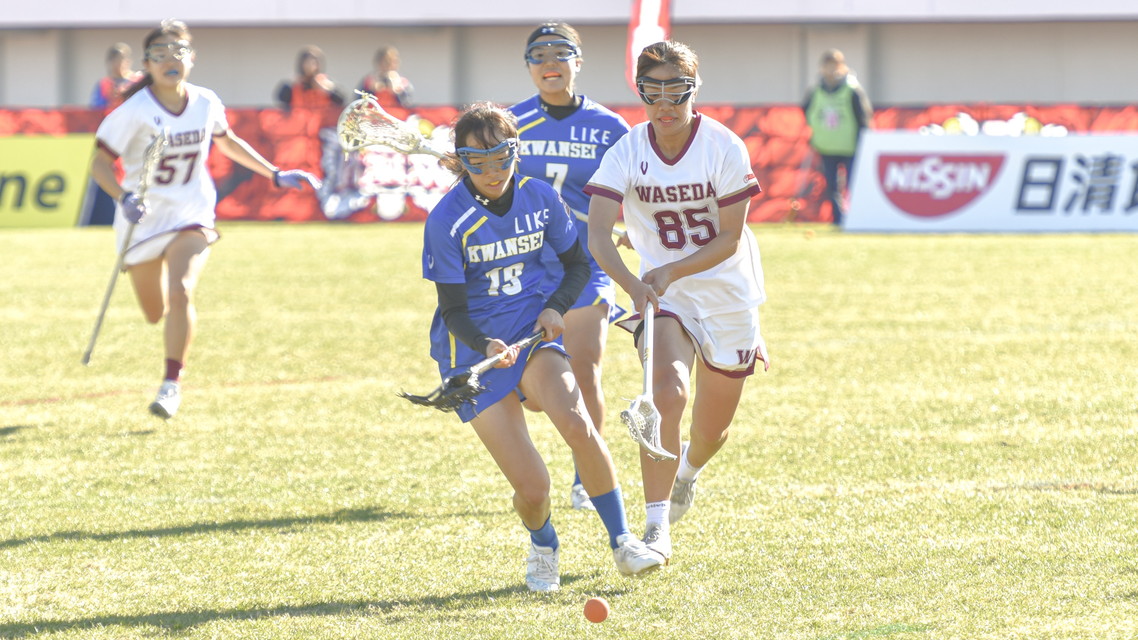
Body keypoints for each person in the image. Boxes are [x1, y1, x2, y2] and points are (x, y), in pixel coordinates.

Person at [421, 102, 661, 591]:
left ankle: (623, 541)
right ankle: (544, 544)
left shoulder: (540, 198)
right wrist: (485, 343)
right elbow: (452, 312)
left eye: (501, 157)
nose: (493, 171)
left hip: (531, 334)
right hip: (475, 353)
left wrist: (556, 308)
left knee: (579, 425)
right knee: (534, 490)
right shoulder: (446, 220)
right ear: (461, 161)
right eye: (477, 161)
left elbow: (577, 265)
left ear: (516, 151)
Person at [585, 41, 769, 567]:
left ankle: (687, 472)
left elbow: (729, 238)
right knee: (666, 393)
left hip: (728, 295)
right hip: (664, 299)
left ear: (694, 89)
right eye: (653, 91)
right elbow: (598, 235)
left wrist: (668, 269)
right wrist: (633, 282)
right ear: (640, 91)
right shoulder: (627, 150)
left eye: (676, 90)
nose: (664, 104)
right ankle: (656, 527)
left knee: (711, 433)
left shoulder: (723, 146)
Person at [89, 19, 321, 419]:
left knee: (181, 291)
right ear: (147, 63)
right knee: (154, 312)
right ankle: (170, 332)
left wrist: (275, 173)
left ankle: (171, 383)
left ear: (192, 57)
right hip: (143, 221)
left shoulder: (205, 102)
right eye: (159, 53)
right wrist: (123, 196)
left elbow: (227, 141)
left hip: (191, 212)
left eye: (178, 51)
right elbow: (98, 164)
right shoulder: (133, 112)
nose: (170, 59)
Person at [507, 22, 631, 512]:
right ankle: (529, 475)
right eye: (538, 55)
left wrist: (633, 228)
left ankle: (587, 476)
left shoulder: (610, 127)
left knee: (585, 367)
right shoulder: (511, 124)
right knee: (533, 389)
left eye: (561, 53)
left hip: (585, 263)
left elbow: (637, 190)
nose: (550, 63)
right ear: (528, 66)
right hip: (525, 268)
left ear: (578, 62)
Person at [802, 48, 873, 226]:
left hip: (851, 146)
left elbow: (864, 117)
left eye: (835, 65)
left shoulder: (852, 89)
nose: (831, 70)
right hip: (826, 145)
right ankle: (838, 220)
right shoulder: (816, 91)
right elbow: (806, 111)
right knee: (832, 186)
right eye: (828, 66)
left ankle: (856, 219)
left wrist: (864, 141)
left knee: (853, 184)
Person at [274, 45, 345, 110]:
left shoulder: (326, 83)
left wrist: (326, 89)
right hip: (300, 119)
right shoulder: (293, 84)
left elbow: (341, 100)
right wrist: (293, 83)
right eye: (308, 62)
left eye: (315, 63)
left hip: (322, 119)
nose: (311, 66)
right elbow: (281, 100)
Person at [91, 43, 143, 111]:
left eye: (121, 59)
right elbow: (96, 109)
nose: (119, 64)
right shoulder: (103, 84)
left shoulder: (138, 81)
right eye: (115, 60)